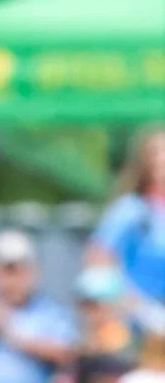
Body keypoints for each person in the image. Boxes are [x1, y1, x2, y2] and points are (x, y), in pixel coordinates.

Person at [0, 230, 78, 383]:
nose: (13, 280)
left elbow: (66, 355)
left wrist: (17, 338)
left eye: (19, 271)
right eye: (7, 271)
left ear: (33, 272)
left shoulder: (51, 311)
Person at [86, 126, 165, 334]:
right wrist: (135, 307)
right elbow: (97, 258)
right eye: (158, 155)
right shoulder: (131, 209)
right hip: (140, 322)